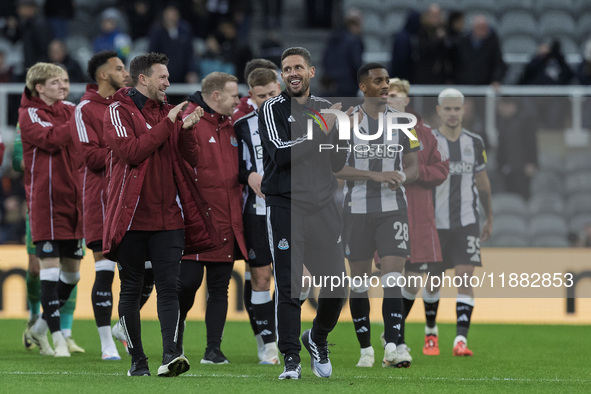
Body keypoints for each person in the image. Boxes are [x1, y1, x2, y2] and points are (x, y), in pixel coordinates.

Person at [102, 52, 218, 377]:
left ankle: (170, 356)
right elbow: (131, 152)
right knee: (131, 288)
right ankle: (138, 361)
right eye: (163, 77)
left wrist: (188, 130)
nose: (168, 82)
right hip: (131, 217)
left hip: (169, 218)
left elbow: (191, 158)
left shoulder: (170, 112)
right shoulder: (117, 110)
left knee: (169, 287)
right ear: (143, 79)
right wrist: (169, 125)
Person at [258, 46, 348, 379]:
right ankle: (291, 360)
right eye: (286, 69)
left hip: (323, 206)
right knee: (289, 286)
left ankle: (318, 338)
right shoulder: (271, 108)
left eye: (298, 67)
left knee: (338, 285)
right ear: (282, 75)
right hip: (286, 206)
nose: (292, 73)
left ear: (311, 72)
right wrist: (321, 128)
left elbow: (337, 162)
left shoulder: (325, 108)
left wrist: (340, 131)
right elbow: (281, 155)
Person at [71, 50, 155, 360]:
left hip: (133, 197)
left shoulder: (131, 106)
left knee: (148, 271)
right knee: (105, 271)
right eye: (119, 68)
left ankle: (121, 325)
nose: (126, 73)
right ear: (104, 74)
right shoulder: (84, 110)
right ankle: (107, 342)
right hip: (102, 199)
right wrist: (124, 145)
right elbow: (89, 157)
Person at [334, 64, 419, 368]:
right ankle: (365, 349)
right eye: (378, 81)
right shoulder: (347, 122)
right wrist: (376, 175)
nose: (385, 86)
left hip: (392, 209)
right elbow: (336, 168)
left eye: (386, 81)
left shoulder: (402, 122)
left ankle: (394, 345)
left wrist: (400, 176)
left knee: (393, 276)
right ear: (363, 87)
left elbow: (414, 167)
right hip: (356, 211)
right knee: (359, 283)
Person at [177, 72, 246, 365]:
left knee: (220, 288)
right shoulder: (188, 122)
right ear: (215, 96)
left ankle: (213, 350)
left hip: (227, 220)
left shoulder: (232, 127)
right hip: (195, 223)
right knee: (186, 286)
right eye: (234, 95)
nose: (239, 101)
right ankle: (174, 345)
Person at [19, 62, 82, 358]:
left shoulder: (70, 109)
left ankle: (40, 327)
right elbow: (51, 139)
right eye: (56, 82)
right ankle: (58, 340)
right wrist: (81, 122)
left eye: (66, 81)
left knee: (72, 275)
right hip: (45, 203)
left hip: (74, 201)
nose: (64, 86)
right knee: (48, 270)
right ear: (39, 87)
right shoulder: (29, 113)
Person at [427, 88, 493, 356]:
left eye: (457, 109)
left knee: (465, 276)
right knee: (433, 281)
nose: (453, 113)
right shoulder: (428, 141)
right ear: (439, 111)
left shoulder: (475, 142)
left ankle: (460, 340)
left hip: (467, 221)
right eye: (448, 109)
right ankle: (431, 332)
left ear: (463, 110)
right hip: (434, 222)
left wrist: (489, 216)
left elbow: (483, 182)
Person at [386, 78, 449, 356]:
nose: (391, 100)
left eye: (396, 95)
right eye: (387, 96)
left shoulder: (427, 134)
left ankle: (392, 334)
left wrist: (414, 173)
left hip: (419, 212)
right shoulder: (371, 130)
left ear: (406, 100)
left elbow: (442, 169)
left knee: (412, 281)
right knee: (391, 276)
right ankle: (391, 338)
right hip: (385, 211)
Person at [234, 67, 281, 364]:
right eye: (261, 96)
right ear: (251, 96)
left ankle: (285, 336)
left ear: (279, 89)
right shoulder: (241, 126)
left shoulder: (300, 119)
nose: (266, 100)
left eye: (272, 94)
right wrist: (249, 175)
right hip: (256, 211)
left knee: (296, 280)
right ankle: (268, 344)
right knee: (261, 279)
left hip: (293, 211)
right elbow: (235, 166)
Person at [449, 15, 506, 86]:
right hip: (463, 85)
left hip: (485, 86)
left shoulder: (493, 43)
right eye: (480, 27)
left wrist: (496, 79)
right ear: (473, 28)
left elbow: (499, 64)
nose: (483, 29)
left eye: (484, 27)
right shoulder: (460, 42)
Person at [148, 4, 197, 83]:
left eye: (173, 16)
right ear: (164, 16)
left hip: (182, 73)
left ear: (178, 16)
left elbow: (189, 53)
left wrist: (191, 71)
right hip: (162, 73)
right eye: (168, 16)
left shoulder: (185, 29)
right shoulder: (157, 30)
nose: (171, 18)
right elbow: (152, 54)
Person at [321, 8, 364, 97]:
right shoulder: (354, 40)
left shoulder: (333, 38)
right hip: (348, 85)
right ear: (356, 24)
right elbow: (356, 63)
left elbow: (325, 59)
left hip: (331, 83)